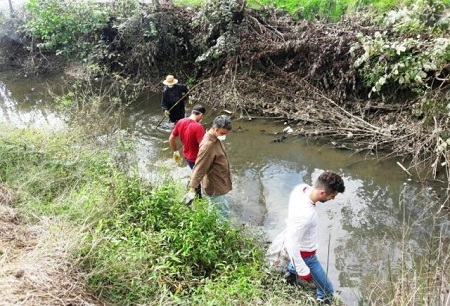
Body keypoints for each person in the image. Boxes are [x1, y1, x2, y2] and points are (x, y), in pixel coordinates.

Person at [284, 171, 345, 304]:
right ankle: (322, 299)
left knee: (297, 253)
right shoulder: (306, 215)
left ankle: (290, 274)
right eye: (332, 196)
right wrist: (302, 270)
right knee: (327, 288)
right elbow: (291, 243)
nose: (333, 199)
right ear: (322, 193)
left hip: (299, 241)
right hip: (306, 254)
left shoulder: (300, 189)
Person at [184, 115, 233, 219]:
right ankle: (221, 234)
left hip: (220, 182)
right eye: (223, 133)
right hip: (216, 187)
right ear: (214, 128)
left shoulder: (215, 138)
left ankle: (212, 228)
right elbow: (199, 167)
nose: (224, 136)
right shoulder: (208, 145)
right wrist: (192, 189)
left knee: (214, 211)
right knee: (223, 214)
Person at [169, 104, 206, 197]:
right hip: (196, 158)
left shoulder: (181, 121)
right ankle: (197, 198)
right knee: (199, 179)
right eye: (202, 117)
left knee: (194, 174)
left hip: (186, 156)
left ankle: (191, 187)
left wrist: (176, 152)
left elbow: (171, 138)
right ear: (200, 115)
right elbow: (203, 146)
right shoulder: (198, 126)